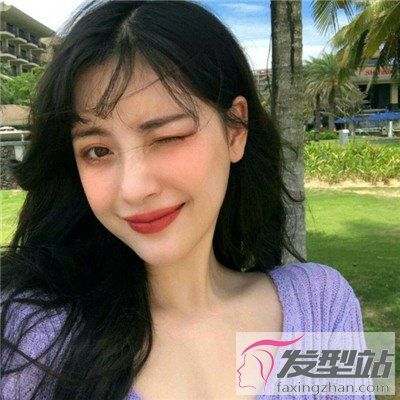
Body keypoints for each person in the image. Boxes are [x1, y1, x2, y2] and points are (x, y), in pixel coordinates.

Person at [1, 1, 371, 399]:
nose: (133, 188)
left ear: (235, 129)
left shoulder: (320, 306)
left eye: (167, 137)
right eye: (98, 151)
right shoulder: (31, 335)